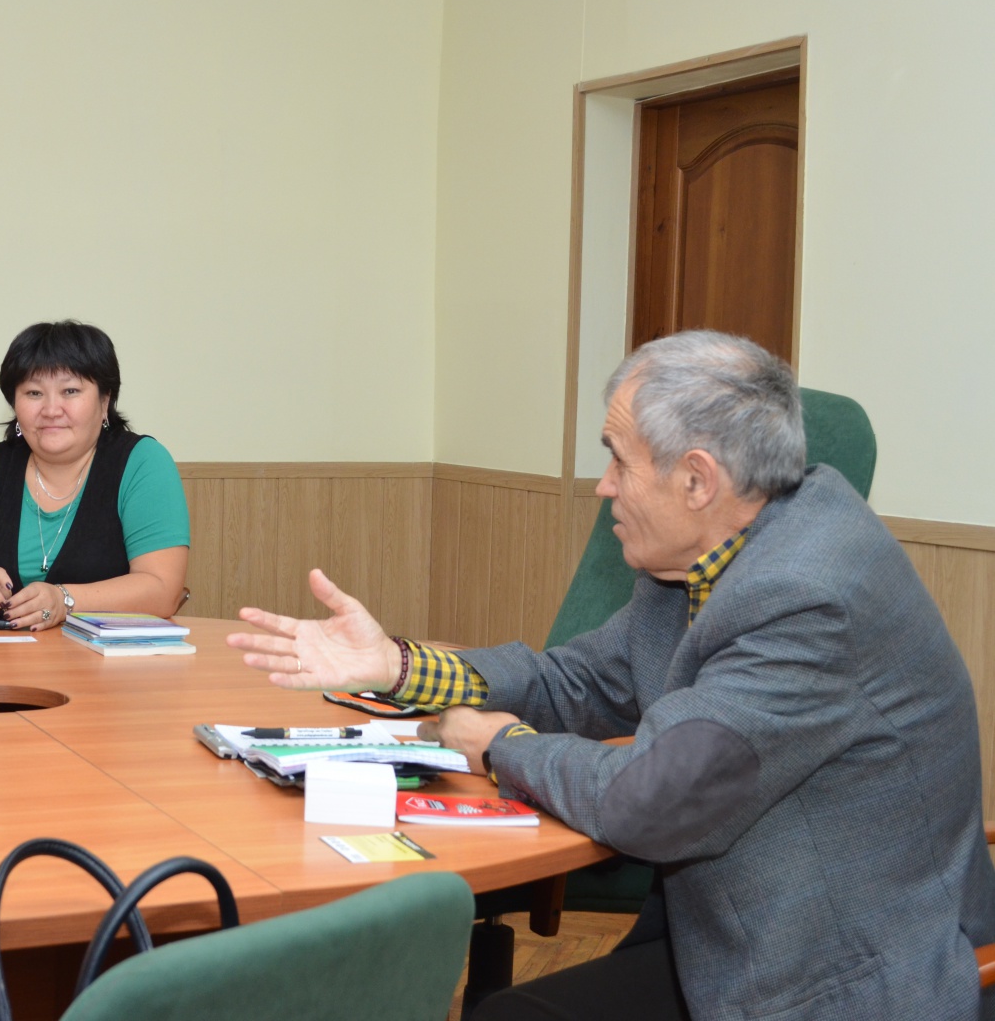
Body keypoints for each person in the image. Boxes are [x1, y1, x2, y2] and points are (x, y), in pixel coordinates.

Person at [228, 330, 995, 1021]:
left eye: (617, 460)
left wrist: (501, 747)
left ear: (695, 480)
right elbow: (576, 682)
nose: (603, 486)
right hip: (732, 931)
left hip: (839, 975)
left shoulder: (804, 597)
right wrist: (395, 665)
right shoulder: (706, 557)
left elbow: (651, 801)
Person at [0, 320, 189, 630]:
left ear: (104, 401)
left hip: (104, 658)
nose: (50, 409)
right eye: (34, 393)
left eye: (70, 391)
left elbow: (162, 589)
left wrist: (64, 600)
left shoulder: (143, 463)